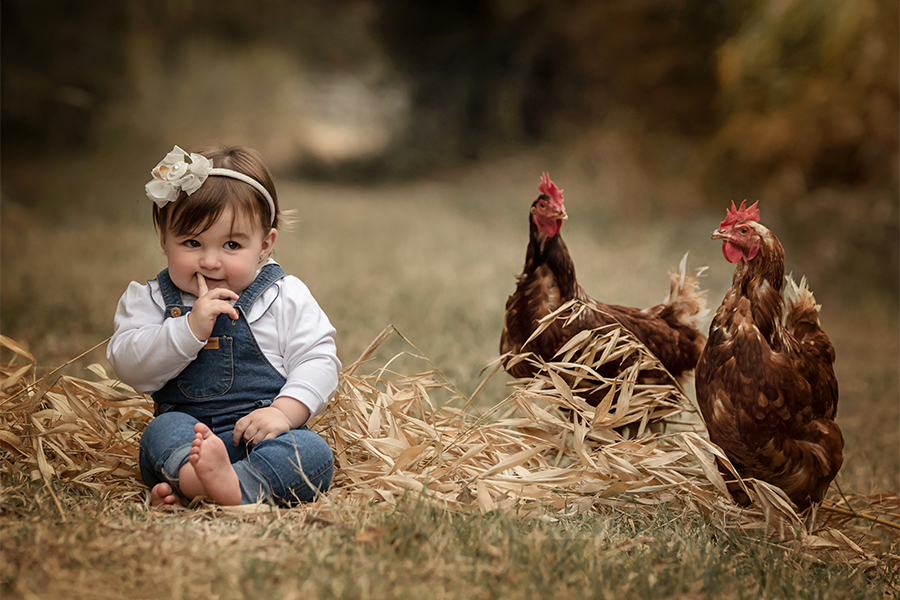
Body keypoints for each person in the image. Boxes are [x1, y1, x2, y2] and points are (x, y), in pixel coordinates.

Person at [108, 144, 340, 507]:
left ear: (265, 245)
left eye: (231, 244)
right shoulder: (150, 299)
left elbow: (318, 359)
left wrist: (283, 412)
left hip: (264, 438)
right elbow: (129, 365)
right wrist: (189, 329)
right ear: (164, 239)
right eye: (192, 242)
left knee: (312, 452)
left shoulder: (282, 296)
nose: (211, 261)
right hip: (186, 435)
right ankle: (203, 478)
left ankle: (217, 487)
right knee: (159, 432)